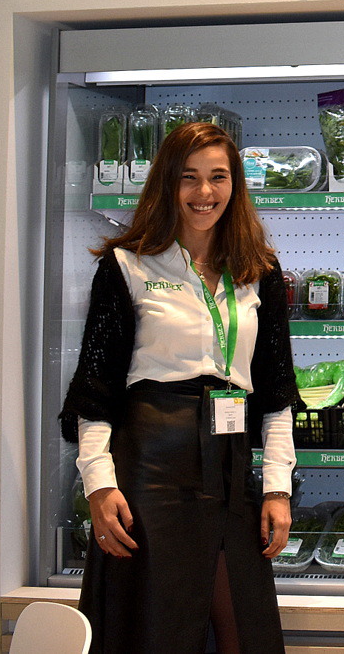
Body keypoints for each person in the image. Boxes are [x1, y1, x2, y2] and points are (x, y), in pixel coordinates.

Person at [59, 121, 301, 654]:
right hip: (150, 471)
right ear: (167, 183)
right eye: (188, 177)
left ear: (235, 184)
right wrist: (99, 486)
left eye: (218, 177)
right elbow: (95, 392)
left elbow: (277, 393)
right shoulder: (127, 265)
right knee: (154, 629)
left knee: (245, 626)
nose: (204, 192)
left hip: (230, 466)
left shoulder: (259, 270)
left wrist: (277, 489)